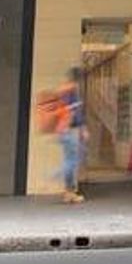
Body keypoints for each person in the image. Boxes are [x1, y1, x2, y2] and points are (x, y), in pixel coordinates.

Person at [50, 68, 87, 204]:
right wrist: (82, 128)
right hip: (68, 130)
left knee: (71, 159)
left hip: (63, 130)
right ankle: (56, 175)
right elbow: (74, 112)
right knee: (73, 160)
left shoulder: (64, 90)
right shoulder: (72, 91)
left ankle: (68, 193)